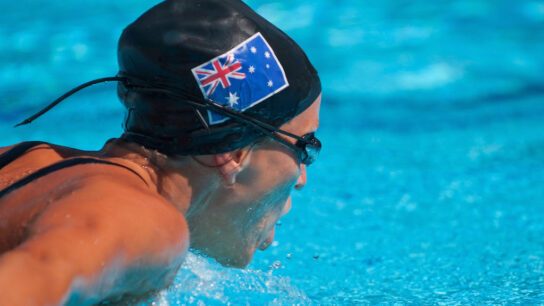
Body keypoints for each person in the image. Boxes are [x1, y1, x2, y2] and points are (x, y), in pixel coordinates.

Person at [0, 0, 321, 304]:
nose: (302, 178)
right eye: (305, 147)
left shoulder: (29, 158)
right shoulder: (140, 219)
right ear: (235, 151)